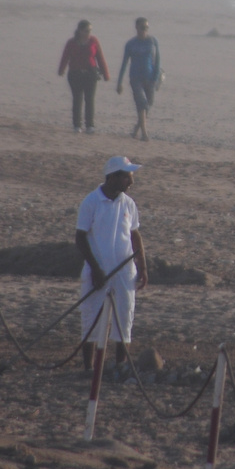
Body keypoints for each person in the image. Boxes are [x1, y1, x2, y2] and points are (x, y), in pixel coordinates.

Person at [74, 156, 149, 374]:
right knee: (91, 317)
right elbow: (80, 238)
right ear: (113, 177)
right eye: (127, 177)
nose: (130, 182)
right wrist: (96, 269)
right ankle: (88, 368)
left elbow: (135, 236)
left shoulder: (128, 203)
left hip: (125, 272)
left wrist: (142, 267)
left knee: (124, 318)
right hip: (97, 270)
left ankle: (120, 365)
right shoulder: (91, 202)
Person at [58, 19, 110, 134]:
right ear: (80, 31)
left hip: (90, 74)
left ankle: (90, 125)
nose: (88, 33)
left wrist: (105, 73)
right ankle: (77, 125)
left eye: (90, 31)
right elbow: (65, 57)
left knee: (89, 99)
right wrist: (61, 70)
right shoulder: (71, 42)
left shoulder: (93, 41)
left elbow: (100, 57)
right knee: (77, 99)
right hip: (74, 74)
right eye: (86, 31)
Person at [117, 17, 162, 141]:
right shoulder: (130, 44)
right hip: (135, 78)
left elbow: (157, 60)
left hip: (150, 77)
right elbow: (124, 63)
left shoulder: (152, 41)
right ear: (136, 27)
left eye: (146, 28)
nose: (144, 30)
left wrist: (156, 77)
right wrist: (119, 82)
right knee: (142, 103)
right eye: (142, 27)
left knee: (147, 105)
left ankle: (136, 130)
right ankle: (144, 134)